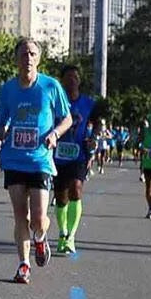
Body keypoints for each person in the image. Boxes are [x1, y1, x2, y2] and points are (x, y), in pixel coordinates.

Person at [0, 38, 72, 284]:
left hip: (40, 160)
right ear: (16, 59)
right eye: (24, 54)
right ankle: (24, 265)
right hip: (14, 159)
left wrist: (55, 134)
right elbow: (0, 122)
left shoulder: (50, 86)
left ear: (39, 58)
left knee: (38, 218)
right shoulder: (7, 89)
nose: (28, 58)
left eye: (32, 54)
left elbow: (66, 118)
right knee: (20, 215)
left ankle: (40, 238)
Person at [52, 65, 97, 255]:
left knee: (76, 188)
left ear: (79, 80)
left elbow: (96, 124)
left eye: (75, 77)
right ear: (62, 81)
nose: (72, 80)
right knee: (61, 196)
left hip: (79, 153)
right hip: (58, 154)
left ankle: (71, 236)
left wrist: (94, 137)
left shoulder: (88, 103)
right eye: (68, 77)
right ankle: (62, 233)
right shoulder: (55, 101)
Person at [141, 115, 151, 218]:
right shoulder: (146, 133)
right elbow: (142, 148)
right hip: (148, 164)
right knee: (148, 188)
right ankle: (150, 208)